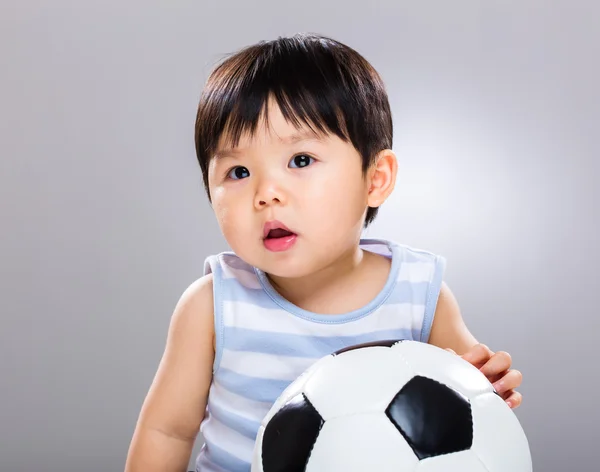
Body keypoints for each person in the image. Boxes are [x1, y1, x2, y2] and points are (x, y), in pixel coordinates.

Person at [125, 33, 523, 472]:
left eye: (300, 160)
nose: (266, 194)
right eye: (239, 171)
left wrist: (488, 385)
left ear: (375, 179)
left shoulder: (419, 295)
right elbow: (168, 431)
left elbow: (466, 404)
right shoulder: (213, 304)